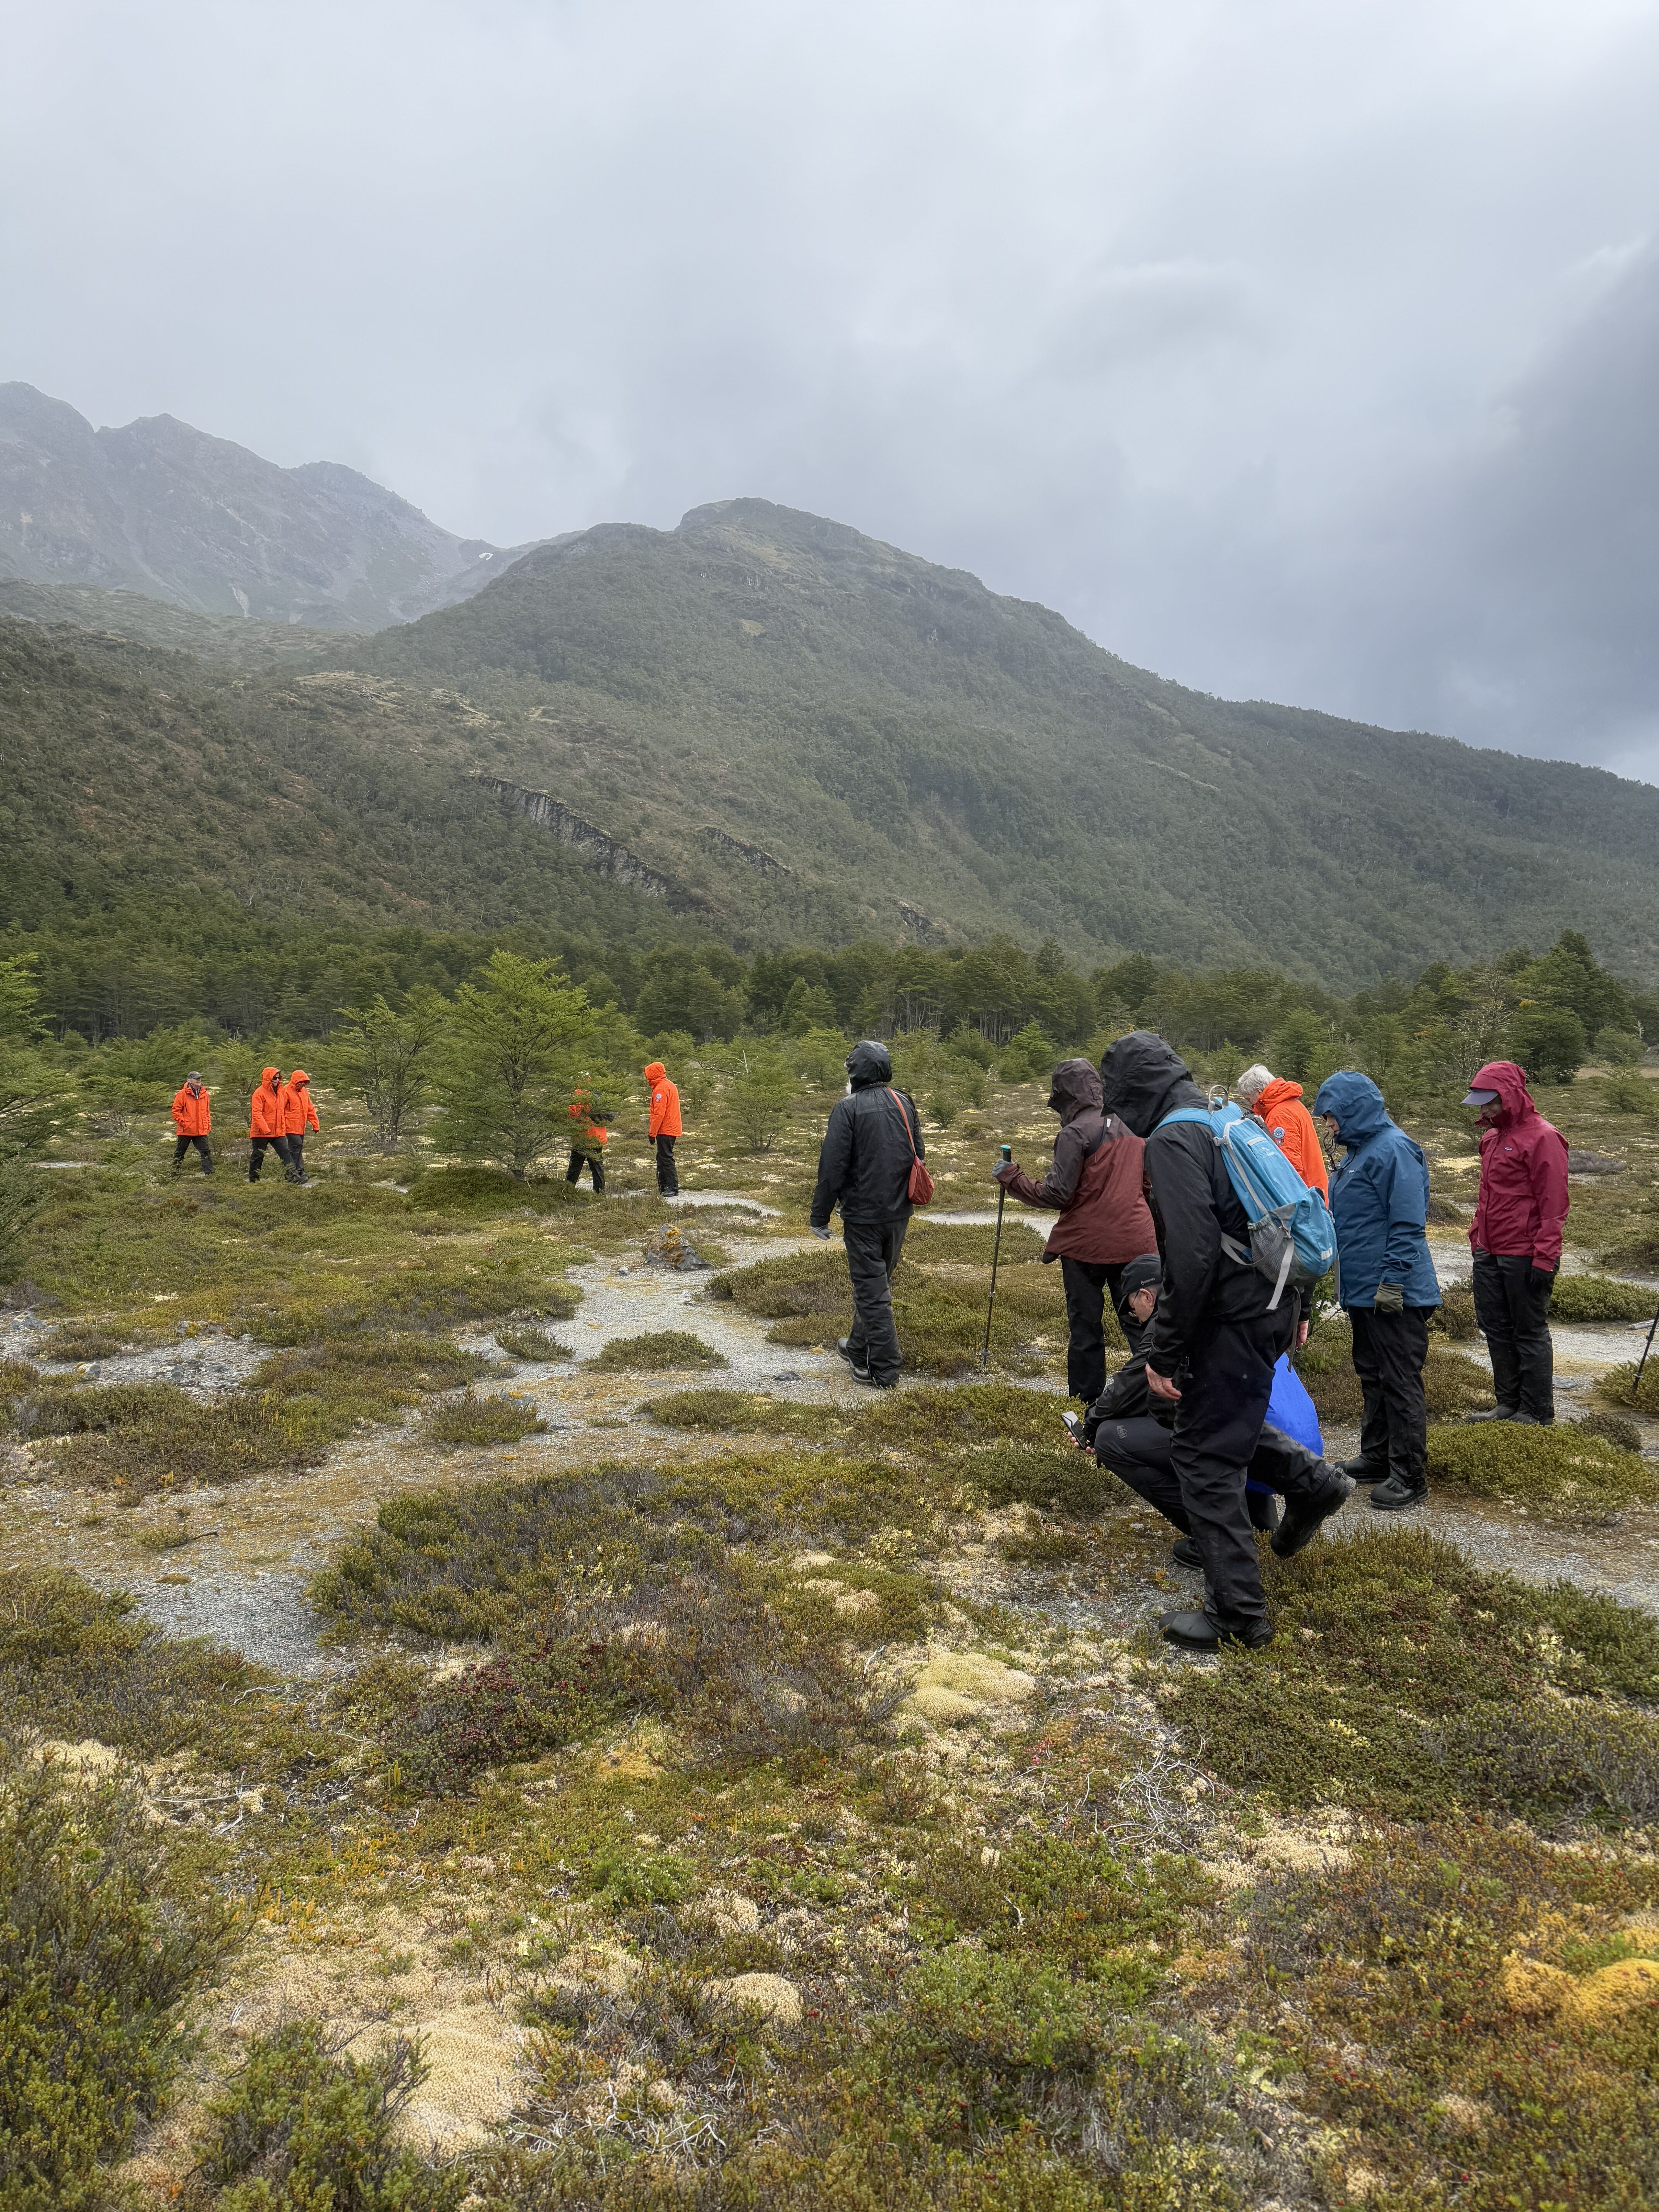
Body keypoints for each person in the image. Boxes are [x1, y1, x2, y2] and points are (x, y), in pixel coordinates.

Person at [1097, 1031, 1307, 1650]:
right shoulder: (1226, 1116)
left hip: (1234, 1316)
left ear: (1133, 1093)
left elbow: (1189, 1258)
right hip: (1273, 1301)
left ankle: (1239, 1617)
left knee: (1203, 1458)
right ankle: (1314, 1486)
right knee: (1223, 1430)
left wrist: (1164, 1352)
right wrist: (1297, 1305)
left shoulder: (1172, 1138)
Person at [1083, 1265, 1352, 1569]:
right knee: (1215, 1415)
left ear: (1147, 1297)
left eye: (1134, 1311)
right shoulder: (1231, 1306)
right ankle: (1261, 1521)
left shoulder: (1172, 1319)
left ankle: (1217, 1536)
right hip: (1300, 1440)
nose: (1138, 1320)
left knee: (1114, 1439)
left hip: (1259, 1442)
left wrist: (1091, 1424)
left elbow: (1130, 1388)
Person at [992, 1059, 1158, 1405]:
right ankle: (1154, 1397)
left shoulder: (1075, 1133)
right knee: (1143, 1324)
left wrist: (1012, 1177)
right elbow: (1146, 1187)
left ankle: (1086, 1403)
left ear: (1064, 1094)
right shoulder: (1133, 1126)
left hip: (1085, 1249)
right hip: (1137, 1245)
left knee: (1086, 1328)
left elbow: (1057, 1194)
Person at [1313, 1071, 1441, 1511]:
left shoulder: (1395, 1149)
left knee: (1399, 1380)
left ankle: (1410, 1476)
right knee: (1372, 1373)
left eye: (1332, 1116)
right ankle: (1377, 1456)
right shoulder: (1359, 1152)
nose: (1329, 1125)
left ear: (1353, 1111)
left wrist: (1393, 1282)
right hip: (1364, 1291)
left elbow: (1408, 1223)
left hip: (1394, 1292)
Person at [809, 1039, 924, 1390]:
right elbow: (919, 1154)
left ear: (855, 1073)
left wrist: (820, 1217)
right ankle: (857, 1347)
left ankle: (884, 1370)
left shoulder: (848, 1109)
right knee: (877, 1286)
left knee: (872, 1293)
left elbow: (832, 1168)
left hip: (863, 1217)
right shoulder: (904, 1101)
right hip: (900, 1213)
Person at [1461, 1060, 1570, 1427]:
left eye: (1490, 1101)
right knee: (1495, 1328)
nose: (1484, 1109)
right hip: (1489, 1251)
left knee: (1529, 1331)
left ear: (1509, 1096)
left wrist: (1546, 1256)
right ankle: (1507, 1404)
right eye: (1480, 1102)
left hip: (1525, 1254)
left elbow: (1554, 1204)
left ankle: (1537, 1412)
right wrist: (1477, 1236)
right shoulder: (1491, 1139)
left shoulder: (1544, 1138)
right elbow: (1487, 1195)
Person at [1235, 1064, 1329, 1197]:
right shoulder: (1291, 1104)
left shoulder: (1279, 1115)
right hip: (1314, 1186)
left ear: (1258, 1091)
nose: (1250, 1104)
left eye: (1249, 1099)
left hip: (1304, 1194)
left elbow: (1289, 1164)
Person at [247, 1065, 296, 1183]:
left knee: (286, 1154)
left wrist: (283, 1128)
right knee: (258, 1156)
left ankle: (293, 1178)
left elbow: (281, 1112)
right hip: (261, 1133)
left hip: (278, 1132)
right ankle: (254, 1181)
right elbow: (257, 1113)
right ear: (268, 1078)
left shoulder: (280, 1093)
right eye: (275, 1078)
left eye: (279, 1078)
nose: (277, 1080)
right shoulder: (259, 1093)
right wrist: (266, 1129)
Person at [644, 1060, 682, 1196]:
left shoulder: (661, 1089)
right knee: (662, 1158)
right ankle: (663, 1187)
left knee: (666, 1158)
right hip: (669, 1128)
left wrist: (652, 1133)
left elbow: (659, 1114)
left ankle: (672, 1188)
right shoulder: (668, 1085)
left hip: (666, 1129)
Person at [566, 1082, 609, 1193]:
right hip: (598, 1136)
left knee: (575, 1167)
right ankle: (600, 1192)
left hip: (583, 1136)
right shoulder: (597, 1092)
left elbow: (573, 1113)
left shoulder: (579, 1094)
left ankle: (567, 1191)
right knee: (597, 1167)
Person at [278, 1068, 319, 1185]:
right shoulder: (286, 1091)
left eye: (304, 1082)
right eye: (300, 1082)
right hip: (289, 1126)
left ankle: (299, 1172)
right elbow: (280, 1110)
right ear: (295, 1081)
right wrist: (281, 1126)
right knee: (297, 1146)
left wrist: (315, 1124)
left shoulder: (304, 1092)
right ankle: (293, 1174)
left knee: (297, 1149)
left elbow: (310, 1109)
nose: (302, 1084)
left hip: (300, 1127)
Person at [170, 1070, 213, 1176]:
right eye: (196, 1079)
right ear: (189, 1081)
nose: (199, 1080)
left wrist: (208, 1125)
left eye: (200, 1078)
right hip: (186, 1130)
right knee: (180, 1153)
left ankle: (210, 1176)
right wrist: (185, 1123)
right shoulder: (182, 1094)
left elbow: (207, 1112)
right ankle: (173, 1175)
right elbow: (176, 1111)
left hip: (201, 1130)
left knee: (206, 1152)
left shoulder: (205, 1094)